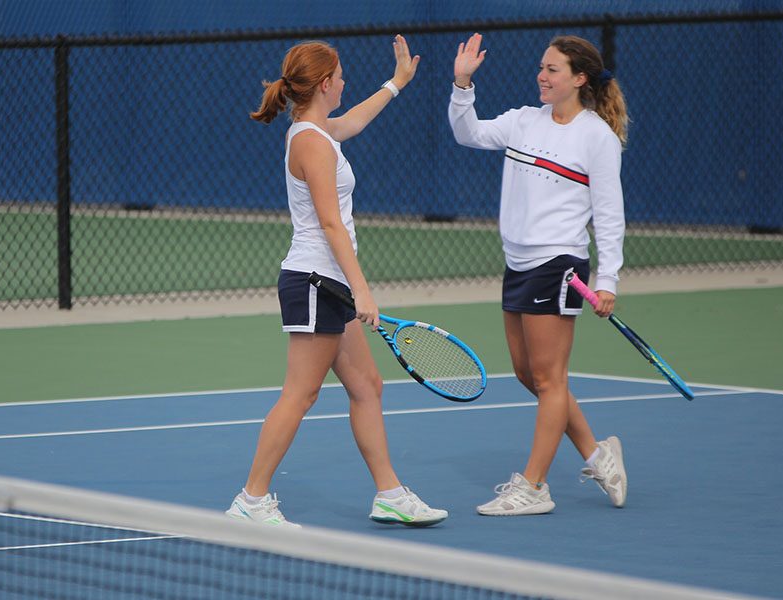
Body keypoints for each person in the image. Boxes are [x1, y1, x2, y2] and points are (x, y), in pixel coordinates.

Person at [226, 36, 447, 528]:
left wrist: (396, 83)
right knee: (300, 393)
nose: (346, 82)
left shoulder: (319, 131)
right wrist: (362, 288)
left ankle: (389, 493)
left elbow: (354, 121)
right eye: (342, 75)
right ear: (325, 84)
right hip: (313, 280)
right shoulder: (310, 142)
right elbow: (330, 223)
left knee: (367, 386)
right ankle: (251, 500)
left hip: (328, 283)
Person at [449, 33, 629, 516]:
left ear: (579, 78)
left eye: (552, 69)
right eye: (542, 68)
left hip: (561, 264)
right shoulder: (523, 121)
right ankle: (597, 453)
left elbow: (609, 214)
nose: (542, 76)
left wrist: (607, 279)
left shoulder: (597, 137)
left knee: (550, 379)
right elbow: (468, 133)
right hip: (518, 261)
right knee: (529, 374)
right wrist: (462, 82)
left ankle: (534, 486)